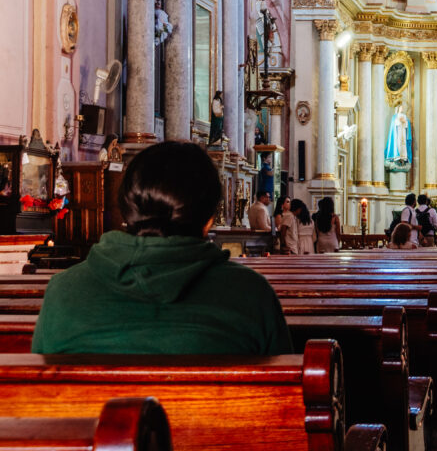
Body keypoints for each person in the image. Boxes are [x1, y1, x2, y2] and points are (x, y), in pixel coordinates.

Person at [31, 141, 292, 355]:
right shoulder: (251, 295)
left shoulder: (62, 292)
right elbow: (286, 398)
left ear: (127, 209)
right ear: (210, 218)